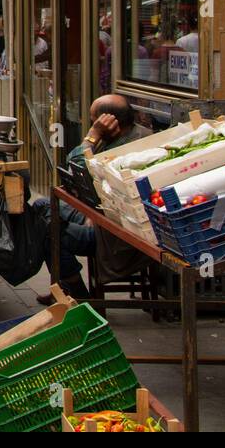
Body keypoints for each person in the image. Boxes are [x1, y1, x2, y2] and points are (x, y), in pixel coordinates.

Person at [35, 94, 146, 303]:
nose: (91, 125)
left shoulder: (129, 146)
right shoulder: (116, 138)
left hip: (113, 235)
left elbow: (76, 165)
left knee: (49, 230)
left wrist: (93, 135)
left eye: (93, 120)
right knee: (42, 206)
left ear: (108, 122)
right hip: (96, 217)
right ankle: (63, 286)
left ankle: (76, 292)